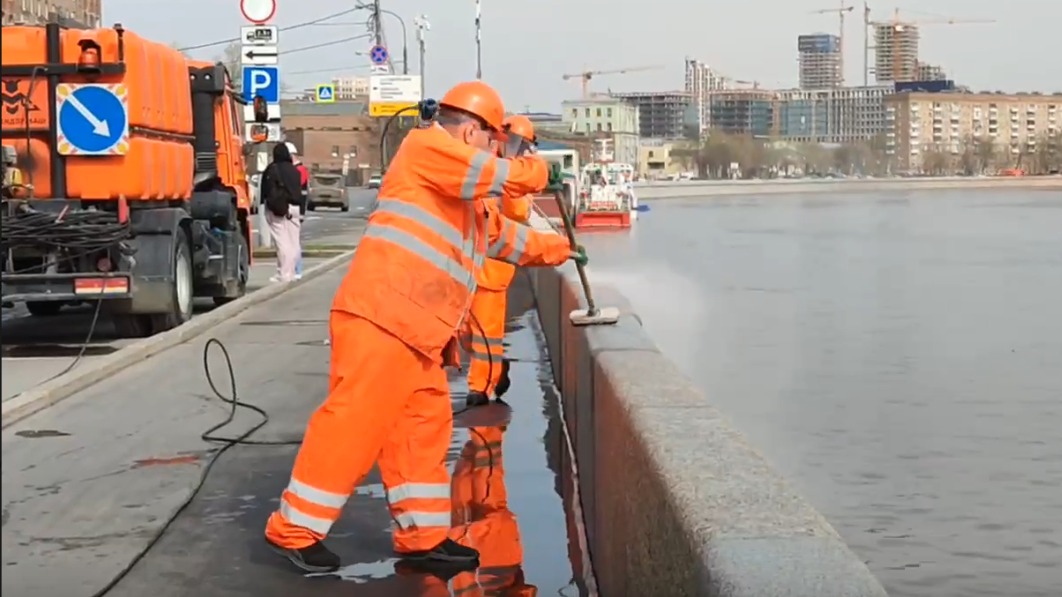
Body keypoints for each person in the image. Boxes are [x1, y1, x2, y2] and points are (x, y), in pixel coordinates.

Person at [263, 80, 589, 574]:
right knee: (354, 423)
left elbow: (509, 239)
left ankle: (423, 536)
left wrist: (561, 249)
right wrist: (538, 169)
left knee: (421, 432)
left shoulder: (467, 201)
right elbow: (502, 176)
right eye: (491, 139)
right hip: (383, 315)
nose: (493, 148)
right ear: (472, 131)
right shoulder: (427, 148)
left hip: (418, 331)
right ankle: (295, 528)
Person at [465, 115, 538, 408]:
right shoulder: (491, 167)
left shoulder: (505, 172)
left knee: (487, 332)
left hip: (491, 266)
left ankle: (481, 386)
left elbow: (517, 214)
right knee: (472, 333)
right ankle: (493, 373)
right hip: (472, 262)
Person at [259, 142, 302, 282]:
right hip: (295, 208)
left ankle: (284, 274)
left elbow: (268, 190)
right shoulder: (295, 171)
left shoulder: (273, 169)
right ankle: (292, 272)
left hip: (278, 208)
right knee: (294, 242)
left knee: (282, 242)